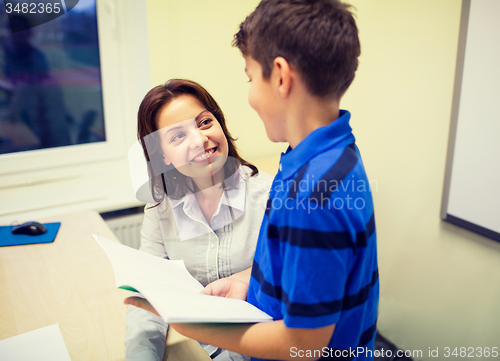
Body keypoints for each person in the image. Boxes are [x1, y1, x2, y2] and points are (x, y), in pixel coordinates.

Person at [126, 1, 379, 360]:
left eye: (249, 77)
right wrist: (249, 280)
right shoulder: (325, 155)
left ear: (279, 77)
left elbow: (303, 344)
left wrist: (189, 324)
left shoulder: (309, 194)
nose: (249, 96)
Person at [125, 79, 272, 361]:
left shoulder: (271, 198)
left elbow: (284, 302)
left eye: (204, 122)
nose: (199, 139)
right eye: (177, 136)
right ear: (163, 156)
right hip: (194, 349)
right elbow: (148, 300)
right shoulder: (161, 208)